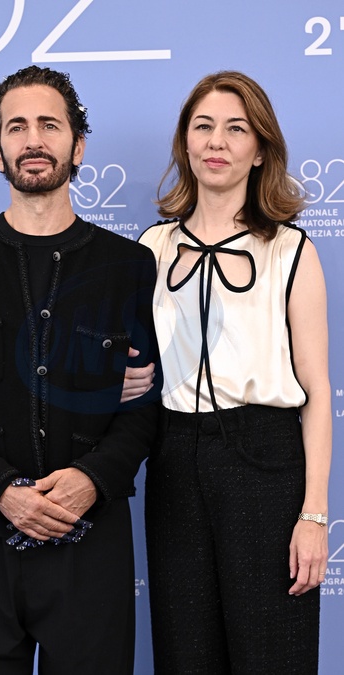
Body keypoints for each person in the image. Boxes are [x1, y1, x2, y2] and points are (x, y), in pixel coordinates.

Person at [0, 65, 161, 675]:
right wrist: (1, 491)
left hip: (91, 540)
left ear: (78, 146)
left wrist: (92, 479)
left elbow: (147, 402)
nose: (33, 139)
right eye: (16, 127)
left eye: (49, 124)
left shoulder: (129, 265)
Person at [135, 71, 331, 674]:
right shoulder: (152, 248)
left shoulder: (291, 250)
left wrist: (314, 515)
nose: (216, 141)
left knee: (272, 654)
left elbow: (318, 392)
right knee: (184, 654)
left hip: (265, 463)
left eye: (236, 128)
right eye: (203, 126)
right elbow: (138, 368)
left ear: (260, 149)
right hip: (172, 461)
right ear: (185, 143)